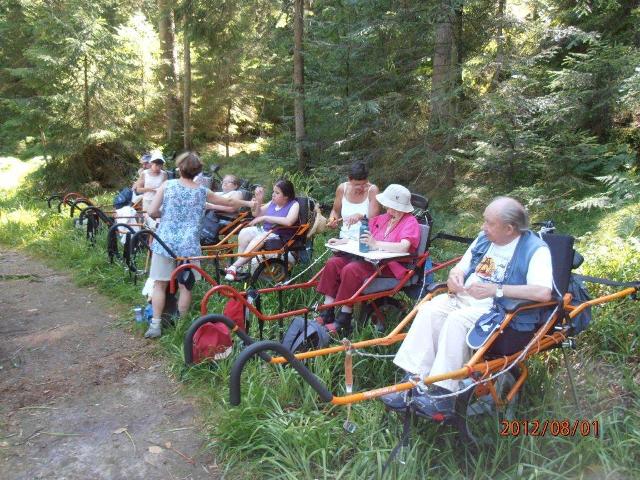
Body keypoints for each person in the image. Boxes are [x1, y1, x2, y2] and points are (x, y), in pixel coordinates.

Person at [380, 196, 553, 416]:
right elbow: (459, 269)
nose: (483, 227)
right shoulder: (484, 239)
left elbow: (542, 292)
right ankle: (413, 382)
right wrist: (455, 277)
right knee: (429, 310)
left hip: (496, 308)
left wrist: (497, 289)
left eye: (489, 223)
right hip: (463, 298)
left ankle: (444, 393)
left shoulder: (535, 250)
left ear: (509, 229)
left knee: (456, 321)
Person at [144, 152, 259, 339]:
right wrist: (250, 202)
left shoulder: (167, 185)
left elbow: (151, 210)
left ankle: (155, 325)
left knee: (159, 284)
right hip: (189, 245)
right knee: (185, 286)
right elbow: (229, 201)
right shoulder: (202, 192)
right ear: (198, 171)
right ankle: (181, 326)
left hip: (165, 242)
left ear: (180, 168)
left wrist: (164, 216)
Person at [317, 184, 421, 334]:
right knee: (333, 263)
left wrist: (376, 244)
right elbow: (364, 236)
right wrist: (343, 242)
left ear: (403, 209)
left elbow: (404, 247)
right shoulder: (385, 218)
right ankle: (327, 312)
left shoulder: (410, 222)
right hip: (371, 260)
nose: (389, 211)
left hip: (389, 265)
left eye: (393, 208)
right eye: (388, 207)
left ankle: (344, 318)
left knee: (351, 269)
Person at [224, 179, 298, 281]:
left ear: (286, 196)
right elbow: (256, 214)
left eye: (277, 193)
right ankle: (242, 269)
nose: (273, 195)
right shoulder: (273, 202)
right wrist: (259, 200)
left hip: (279, 236)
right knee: (245, 232)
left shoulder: (294, 204)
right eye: (273, 191)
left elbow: (289, 221)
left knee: (260, 238)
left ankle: (235, 266)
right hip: (266, 231)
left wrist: (265, 218)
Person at [327, 162, 380, 240]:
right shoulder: (342, 189)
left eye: (364, 184)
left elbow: (374, 221)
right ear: (349, 180)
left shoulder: (372, 190)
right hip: (344, 239)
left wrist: (361, 216)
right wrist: (332, 220)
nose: (361, 188)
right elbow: (335, 211)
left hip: (365, 240)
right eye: (357, 185)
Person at [201, 175, 245, 245]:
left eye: (228, 182)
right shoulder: (217, 193)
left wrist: (212, 206)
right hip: (210, 218)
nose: (225, 183)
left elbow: (232, 208)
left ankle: (207, 239)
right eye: (224, 181)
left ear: (235, 186)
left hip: (222, 220)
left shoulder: (237, 193)